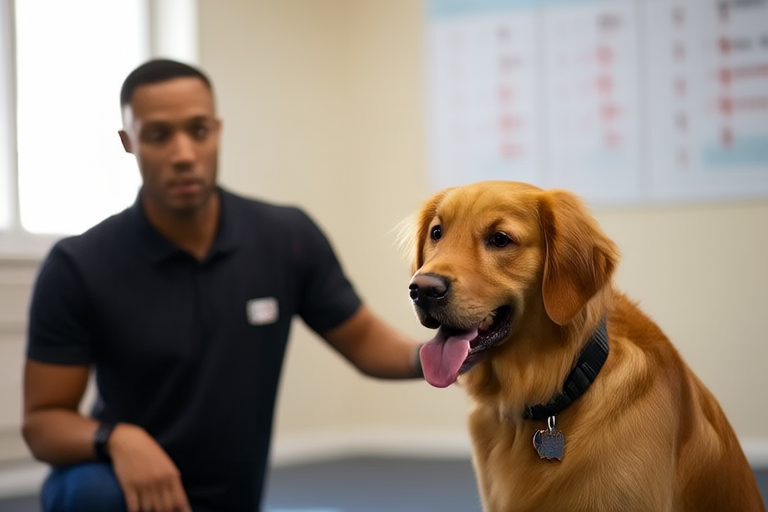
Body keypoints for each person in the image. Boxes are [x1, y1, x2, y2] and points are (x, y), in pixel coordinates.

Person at [22, 58, 424, 512]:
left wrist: (441, 358)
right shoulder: (78, 265)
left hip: (234, 498)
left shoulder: (286, 238)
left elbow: (363, 339)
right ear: (128, 142)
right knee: (89, 495)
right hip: (129, 492)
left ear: (217, 131)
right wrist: (117, 439)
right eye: (158, 135)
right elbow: (42, 423)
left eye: (198, 130)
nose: (183, 154)